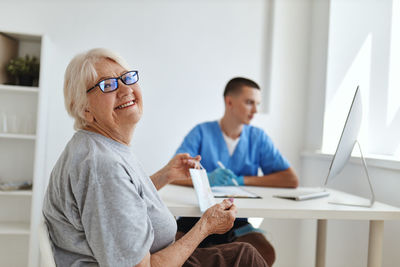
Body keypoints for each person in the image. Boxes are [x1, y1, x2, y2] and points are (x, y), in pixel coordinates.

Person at [42, 49, 269, 267]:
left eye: (127, 78)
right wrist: (206, 226)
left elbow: (120, 201)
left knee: (245, 253)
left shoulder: (100, 148)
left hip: (158, 257)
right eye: (107, 85)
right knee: (246, 257)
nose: (125, 89)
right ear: (85, 110)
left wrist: (164, 175)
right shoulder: (101, 165)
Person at [173, 77, 299, 266]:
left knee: (264, 252)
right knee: (173, 252)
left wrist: (243, 180)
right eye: (249, 103)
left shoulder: (258, 138)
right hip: (194, 220)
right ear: (229, 102)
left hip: (236, 223)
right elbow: (173, 174)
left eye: (257, 104)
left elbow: (290, 179)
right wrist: (206, 179)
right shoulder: (201, 133)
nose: (255, 110)